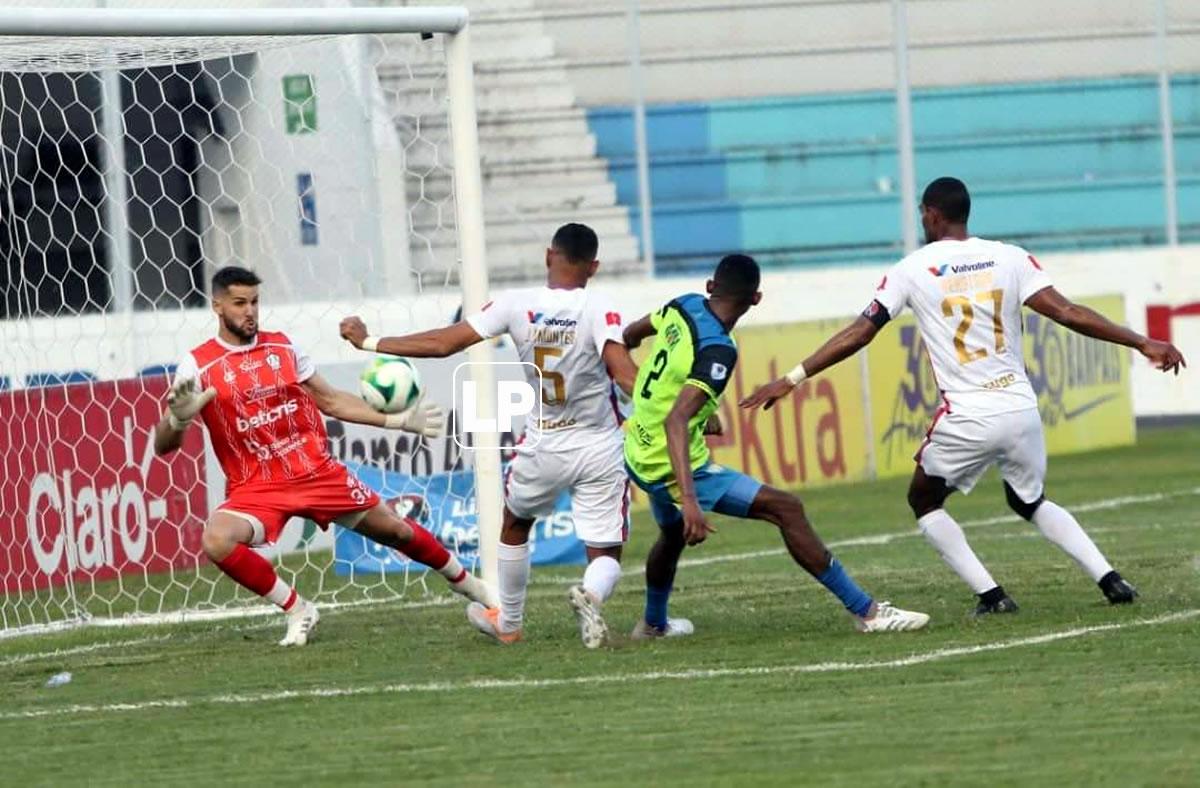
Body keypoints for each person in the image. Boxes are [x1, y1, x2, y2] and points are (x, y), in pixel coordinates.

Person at [741, 177, 1186, 615]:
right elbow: (1068, 313)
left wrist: (793, 377)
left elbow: (861, 332)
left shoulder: (911, 269)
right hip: (1020, 408)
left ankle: (992, 597)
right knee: (1030, 500)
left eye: (922, 213)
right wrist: (1141, 342)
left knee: (923, 499)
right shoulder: (1009, 257)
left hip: (969, 414)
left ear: (932, 215)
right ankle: (1111, 580)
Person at [154, 266, 496, 647]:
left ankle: (467, 583)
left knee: (397, 530)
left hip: (315, 472)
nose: (249, 311)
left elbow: (331, 400)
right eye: (239, 303)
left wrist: (398, 420)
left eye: (254, 302)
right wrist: (176, 419)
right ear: (217, 305)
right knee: (217, 540)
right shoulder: (197, 365)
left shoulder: (283, 348)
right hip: (257, 487)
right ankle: (298, 609)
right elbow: (162, 446)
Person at [340, 223, 642, 648]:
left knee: (516, 523)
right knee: (605, 550)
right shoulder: (601, 308)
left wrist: (370, 340)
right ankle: (590, 595)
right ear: (594, 266)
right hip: (598, 444)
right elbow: (625, 374)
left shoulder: (515, 304)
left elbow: (444, 342)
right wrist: (676, 409)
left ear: (547, 255)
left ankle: (510, 623)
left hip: (542, 442)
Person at [622, 253, 930, 637]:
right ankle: (867, 612)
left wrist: (692, 412)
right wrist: (689, 499)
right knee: (787, 509)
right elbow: (677, 420)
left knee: (670, 536)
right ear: (756, 300)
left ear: (710, 286)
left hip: (636, 445)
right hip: (667, 461)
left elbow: (632, 335)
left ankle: (653, 624)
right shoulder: (719, 350)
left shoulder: (682, 305)